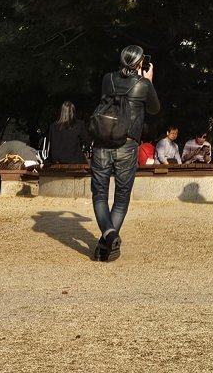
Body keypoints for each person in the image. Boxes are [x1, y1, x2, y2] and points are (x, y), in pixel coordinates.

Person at [89, 45, 159, 262]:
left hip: (102, 142)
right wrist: (148, 80)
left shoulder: (107, 79)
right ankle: (109, 237)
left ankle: (107, 239)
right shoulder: (143, 84)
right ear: (140, 63)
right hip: (127, 145)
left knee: (99, 194)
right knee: (121, 197)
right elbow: (154, 109)